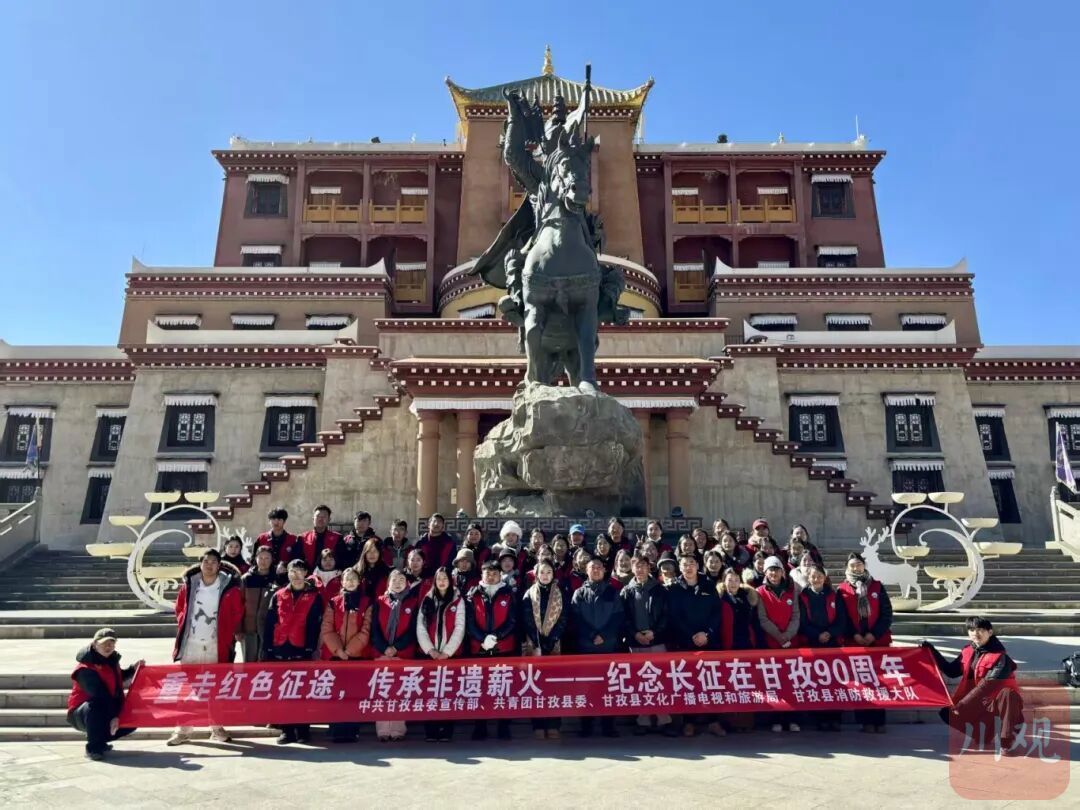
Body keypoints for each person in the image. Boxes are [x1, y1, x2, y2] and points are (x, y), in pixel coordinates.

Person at [168, 549, 244, 746]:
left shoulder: (229, 587)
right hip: (192, 644)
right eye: (206, 561)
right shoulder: (189, 585)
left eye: (213, 562)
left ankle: (216, 727)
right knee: (188, 689)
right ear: (200, 563)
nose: (209, 565)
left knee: (215, 687)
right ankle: (183, 730)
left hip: (215, 645)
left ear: (219, 565)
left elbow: (237, 612)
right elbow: (179, 609)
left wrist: (226, 632)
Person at [923, 617, 1024, 754]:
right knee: (947, 713)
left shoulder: (1001, 658)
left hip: (999, 705)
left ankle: (1007, 742)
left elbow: (987, 686)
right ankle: (983, 734)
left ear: (990, 632)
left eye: (980, 630)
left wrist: (962, 705)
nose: (975, 633)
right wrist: (932, 651)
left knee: (1008, 694)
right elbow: (951, 671)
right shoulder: (968, 651)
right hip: (981, 703)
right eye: (971, 630)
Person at [264, 559, 324, 744]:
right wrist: (268, 648)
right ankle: (286, 731)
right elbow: (269, 622)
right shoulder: (278, 595)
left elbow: (316, 625)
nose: (296, 575)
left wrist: (311, 648)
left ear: (306, 573)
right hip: (281, 647)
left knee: (302, 691)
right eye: (293, 571)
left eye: (300, 571)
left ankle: (303, 731)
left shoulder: (314, 596)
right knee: (283, 691)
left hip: (303, 648)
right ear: (287, 573)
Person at [667, 555, 723, 737]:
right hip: (685, 642)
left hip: (709, 642)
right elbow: (674, 617)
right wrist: (691, 635)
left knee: (711, 682)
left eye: (692, 563)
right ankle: (688, 722)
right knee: (688, 683)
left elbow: (717, 613)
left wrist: (707, 634)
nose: (689, 567)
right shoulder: (674, 589)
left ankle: (713, 721)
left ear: (697, 565)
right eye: (685, 564)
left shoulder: (708, 585)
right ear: (680, 567)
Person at [837, 552, 893, 733]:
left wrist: (873, 634)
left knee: (879, 681)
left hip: (877, 642)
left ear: (864, 565)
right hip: (854, 642)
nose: (856, 568)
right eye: (852, 565)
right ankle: (865, 721)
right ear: (847, 567)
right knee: (861, 683)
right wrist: (855, 635)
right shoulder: (842, 589)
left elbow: (887, 614)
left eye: (859, 564)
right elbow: (841, 617)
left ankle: (880, 721)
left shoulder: (876, 586)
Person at [621, 555, 675, 736]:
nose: (640, 569)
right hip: (636, 643)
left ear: (649, 568)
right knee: (640, 683)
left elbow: (666, 615)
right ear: (632, 569)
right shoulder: (626, 591)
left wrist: (655, 633)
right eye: (637, 566)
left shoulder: (660, 590)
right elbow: (624, 617)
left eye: (643, 566)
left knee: (660, 682)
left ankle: (664, 720)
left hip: (656, 641)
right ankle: (642, 720)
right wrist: (634, 634)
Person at [67, 628, 141, 760]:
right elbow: (99, 694)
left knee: (133, 718)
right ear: (95, 644)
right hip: (82, 714)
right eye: (104, 643)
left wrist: (132, 669)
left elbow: (117, 678)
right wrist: (114, 716)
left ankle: (100, 740)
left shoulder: (111, 661)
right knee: (95, 706)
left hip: (105, 706)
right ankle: (93, 747)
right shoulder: (84, 669)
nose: (109, 647)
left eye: (112, 643)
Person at [571, 558, 623, 738]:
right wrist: (592, 635)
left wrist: (605, 635)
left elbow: (618, 617)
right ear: (586, 570)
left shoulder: (612, 592)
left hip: (608, 647)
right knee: (586, 687)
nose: (596, 570)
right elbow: (576, 618)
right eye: (592, 567)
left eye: (599, 567)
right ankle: (586, 725)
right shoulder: (579, 593)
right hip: (586, 647)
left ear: (604, 570)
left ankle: (608, 725)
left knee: (609, 687)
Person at [319, 567, 372, 743]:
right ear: (342, 582)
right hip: (336, 655)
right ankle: (335, 729)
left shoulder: (366, 602)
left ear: (359, 582)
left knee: (353, 694)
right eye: (347, 579)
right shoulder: (333, 602)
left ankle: (352, 729)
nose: (350, 582)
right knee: (336, 693)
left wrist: (350, 651)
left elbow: (366, 629)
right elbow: (327, 628)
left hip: (357, 656)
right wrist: (339, 650)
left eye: (353, 579)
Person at [466, 561, 517, 740]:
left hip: (503, 648)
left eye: (495, 573)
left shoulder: (508, 593)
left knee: (503, 689)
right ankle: (480, 726)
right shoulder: (473, 594)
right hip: (479, 649)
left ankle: (503, 726)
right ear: (482, 574)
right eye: (487, 573)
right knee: (479, 689)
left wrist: (496, 637)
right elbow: (469, 621)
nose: (491, 576)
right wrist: (482, 639)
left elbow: (512, 620)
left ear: (500, 575)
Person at [521, 560, 568, 740]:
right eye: (542, 572)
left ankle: (554, 724)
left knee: (555, 686)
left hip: (555, 644)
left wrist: (551, 640)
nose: (545, 575)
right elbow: (527, 620)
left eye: (549, 572)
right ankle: (538, 724)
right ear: (536, 574)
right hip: (535, 646)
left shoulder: (561, 593)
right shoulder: (529, 593)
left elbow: (563, 618)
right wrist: (538, 643)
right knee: (536, 686)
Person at [371, 569, 420, 742]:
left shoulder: (413, 602)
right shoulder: (379, 601)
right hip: (382, 653)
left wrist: (397, 647)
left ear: (406, 583)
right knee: (382, 693)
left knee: (400, 693)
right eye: (394, 580)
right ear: (388, 583)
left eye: (401, 579)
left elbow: (413, 629)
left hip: (403, 654)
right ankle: (383, 731)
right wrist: (384, 648)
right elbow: (374, 628)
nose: (398, 583)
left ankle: (398, 730)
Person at [418, 568, 466, 742]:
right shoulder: (428, 599)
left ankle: (446, 730)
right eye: (439, 578)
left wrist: (447, 652)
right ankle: (431, 731)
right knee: (429, 693)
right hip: (430, 655)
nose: (442, 581)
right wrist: (430, 650)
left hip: (450, 655)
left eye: (445, 578)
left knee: (449, 693)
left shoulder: (458, 600)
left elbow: (460, 627)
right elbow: (421, 626)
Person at [756, 555, 802, 733]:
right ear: (765, 573)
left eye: (777, 570)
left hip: (791, 643)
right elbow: (762, 618)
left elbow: (796, 615)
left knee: (792, 682)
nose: (774, 573)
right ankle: (776, 719)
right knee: (774, 683)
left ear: (783, 572)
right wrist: (778, 636)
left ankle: (792, 719)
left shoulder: (792, 590)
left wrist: (788, 635)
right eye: (770, 570)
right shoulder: (760, 592)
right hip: (772, 643)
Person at [799, 564, 845, 731]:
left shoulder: (834, 595)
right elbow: (802, 622)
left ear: (825, 578)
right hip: (812, 643)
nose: (816, 579)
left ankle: (835, 718)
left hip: (832, 643)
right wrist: (817, 635)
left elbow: (842, 620)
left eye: (819, 576)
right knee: (816, 682)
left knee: (835, 682)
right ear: (808, 578)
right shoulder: (803, 596)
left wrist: (830, 633)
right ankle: (820, 719)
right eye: (813, 576)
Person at [717, 567, 761, 732]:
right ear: (724, 582)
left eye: (736, 580)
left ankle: (745, 722)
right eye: (730, 580)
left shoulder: (747, 598)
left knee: (746, 684)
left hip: (745, 644)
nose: (733, 583)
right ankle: (728, 722)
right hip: (727, 645)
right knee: (728, 685)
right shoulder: (720, 599)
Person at [240, 545, 277, 662]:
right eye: (260, 558)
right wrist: (238, 629)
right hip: (248, 627)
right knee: (249, 661)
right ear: (255, 559)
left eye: (267, 558)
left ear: (272, 560)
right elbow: (239, 604)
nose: (263, 561)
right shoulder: (246, 578)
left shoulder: (276, 579)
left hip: (269, 628)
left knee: (266, 662)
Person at [255, 507, 299, 584]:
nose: (276, 522)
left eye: (279, 519)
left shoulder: (293, 539)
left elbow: (296, 560)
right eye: (273, 519)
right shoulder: (262, 538)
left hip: (286, 579)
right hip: (264, 578)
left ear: (284, 521)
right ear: (269, 521)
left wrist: (285, 565)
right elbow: (254, 558)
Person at [300, 504, 342, 570]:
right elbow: (298, 559)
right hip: (308, 574)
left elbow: (341, 560)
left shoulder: (338, 538)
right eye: (318, 516)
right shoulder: (302, 538)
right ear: (313, 519)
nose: (320, 519)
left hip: (331, 574)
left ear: (329, 520)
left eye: (324, 517)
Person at [416, 513, 457, 577]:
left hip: (444, 577)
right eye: (434, 521)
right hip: (424, 577)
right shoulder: (421, 542)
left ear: (443, 526)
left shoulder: (450, 543)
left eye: (439, 522)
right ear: (429, 525)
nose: (436, 524)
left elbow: (452, 563)